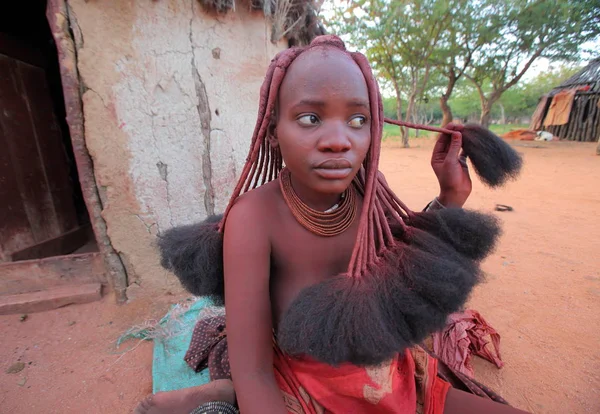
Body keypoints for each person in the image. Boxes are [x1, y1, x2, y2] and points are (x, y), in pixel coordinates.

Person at [137, 35, 527, 414]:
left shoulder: (370, 194)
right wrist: (249, 388)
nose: (339, 141)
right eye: (311, 118)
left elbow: (406, 260)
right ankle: (227, 393)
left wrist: (449, 196)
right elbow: (254, 369)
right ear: (274, 133)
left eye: (358, 119)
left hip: (390, 372)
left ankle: (226, 392)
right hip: (300, 385)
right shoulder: (254, 218)